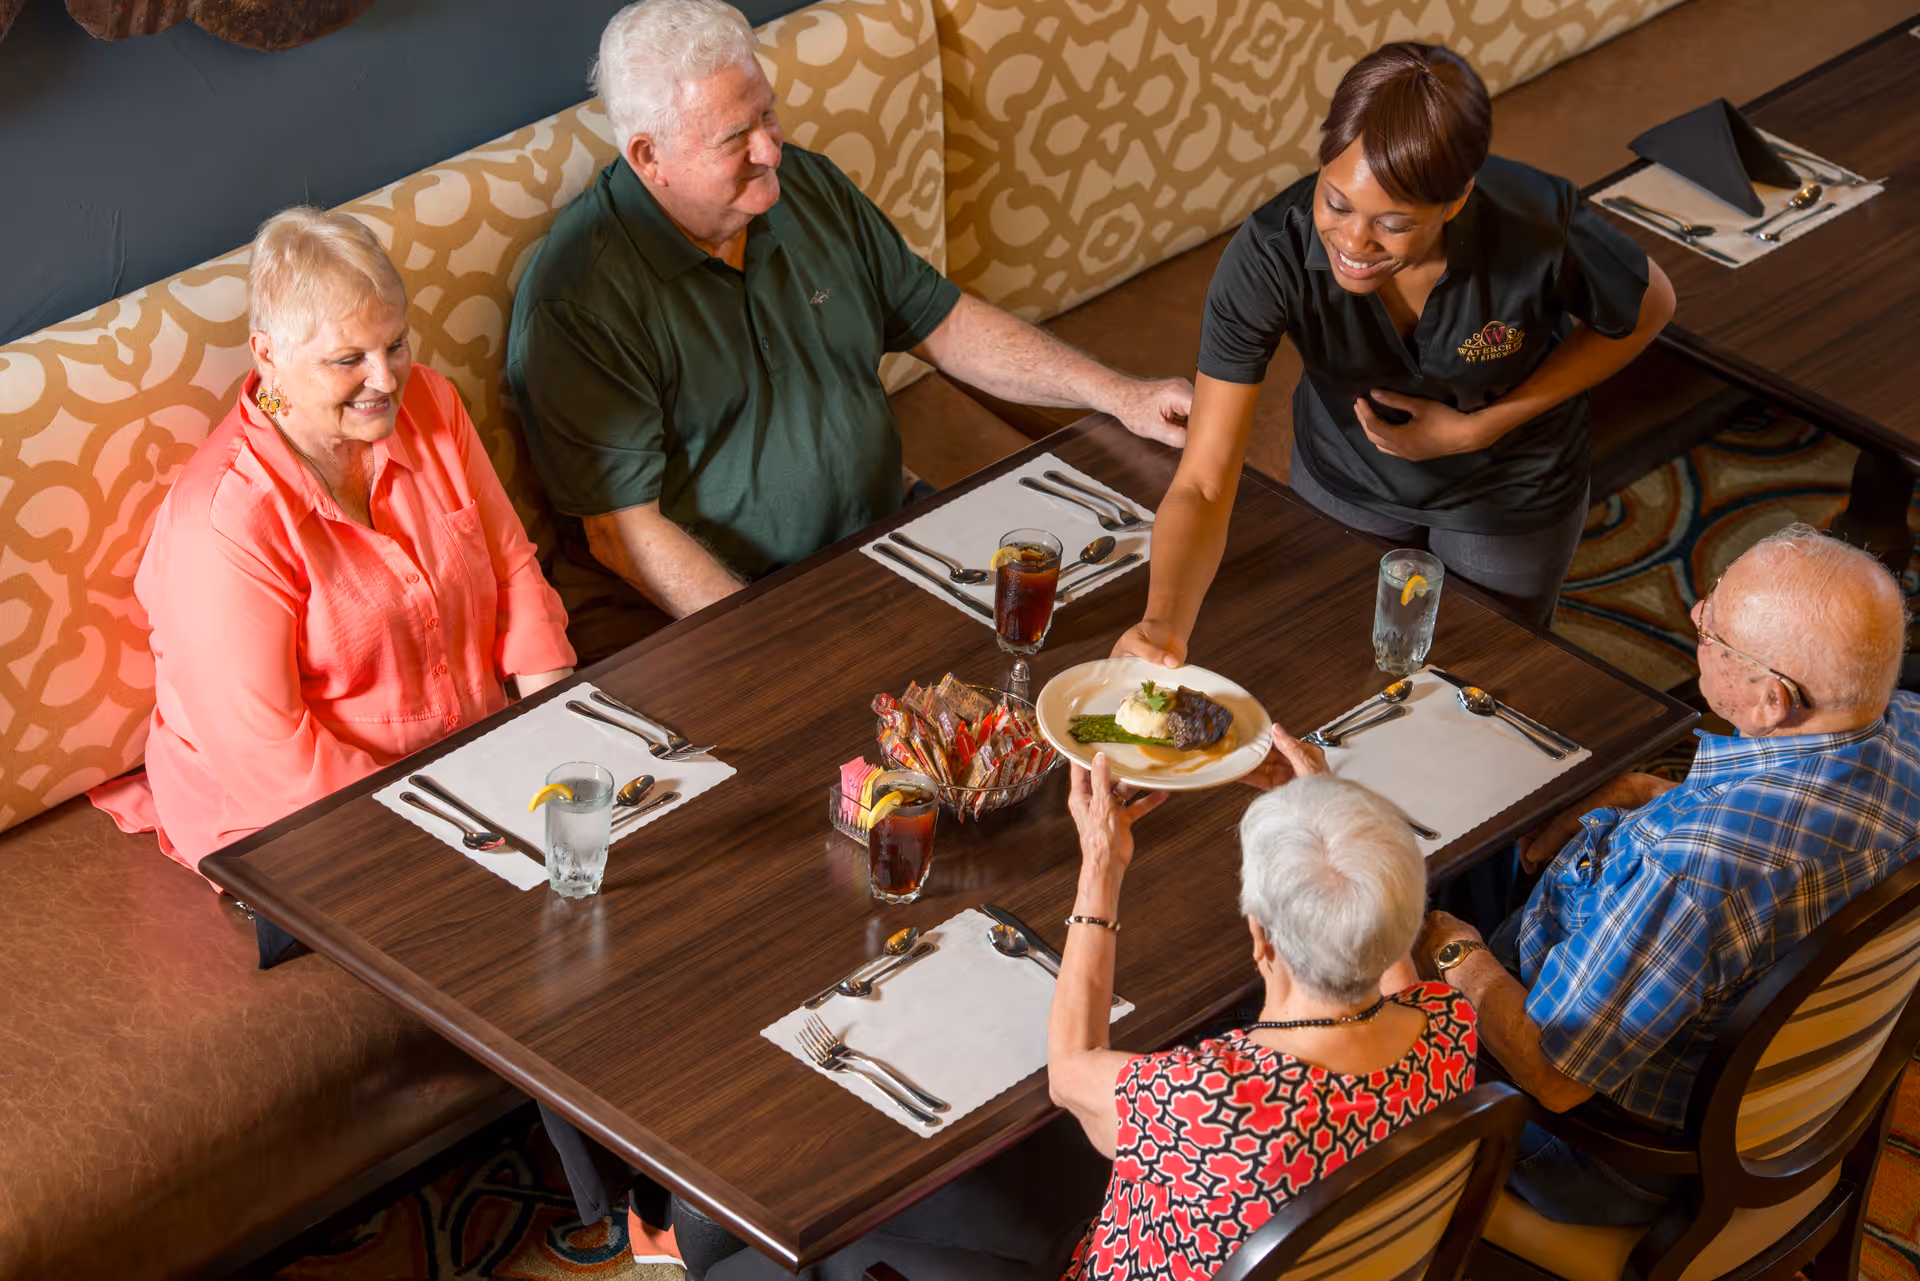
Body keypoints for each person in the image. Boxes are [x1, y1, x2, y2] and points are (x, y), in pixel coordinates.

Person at [507, 0, 1192, 635]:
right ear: (650, 157)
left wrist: (1121, 395)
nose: (770, 151)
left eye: (767, 116)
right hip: (707, 616)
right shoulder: (579, 296)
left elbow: (943, 324)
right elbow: (624, 534)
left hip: (881, 542)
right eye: (734, 138)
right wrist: (770, 641)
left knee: (1125, 617)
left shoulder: (804, 187)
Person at [689, 735, 1474, 1281]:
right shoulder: (1449, 1031)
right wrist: (1327, 805)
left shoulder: (1207, 1100)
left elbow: (1070, 1073)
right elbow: (1399, 973)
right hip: (1238, 1235)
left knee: (759, 1263)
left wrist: (1100, 863)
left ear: (1261, 939)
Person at [1418, 523, 1920, 1225]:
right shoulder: (1908, 727)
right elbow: (1784, 844)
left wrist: (1450, 951)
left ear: (1774, 700)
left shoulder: (1685, 867)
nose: (1694, 618)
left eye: (1715, 631)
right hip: (1783, 1100)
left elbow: (1553, 1078)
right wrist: (1639, 792)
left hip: (1600, 1154)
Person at [1116, 42, 1676, 668]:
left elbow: (1649, 301)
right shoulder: (1271, 253)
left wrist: (1481, 428)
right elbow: (1203, 480)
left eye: (1394, 224)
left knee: (1483, 675)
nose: (1353, 242)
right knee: (1331, 660)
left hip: (1508, 490)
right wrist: (1162, 622)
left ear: (1457, 201)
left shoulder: (1534, 221)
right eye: (1336, 202)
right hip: (1345, 479)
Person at [89, 207, 575, 875]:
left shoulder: (430, 403)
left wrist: (557, 725)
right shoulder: (224, 520)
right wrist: (462, 823)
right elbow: (274, 758)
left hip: (469, 768)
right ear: (269, 356)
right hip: (299, 820)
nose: (386, 379)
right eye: (349, 359)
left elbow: (514, 570)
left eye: (396, 343)